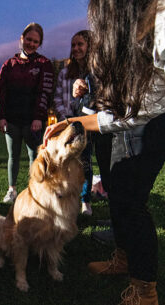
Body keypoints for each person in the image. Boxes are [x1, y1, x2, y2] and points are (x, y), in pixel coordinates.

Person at [43, 0, 165, 303]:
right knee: (120, 194)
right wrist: (77, 122)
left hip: (152, 132)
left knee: (130, 200)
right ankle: (126, 259)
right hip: (134, 121)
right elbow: (138, 109)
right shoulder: (158, 41)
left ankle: (144, 290)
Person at [0, 22, 54, 203]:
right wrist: (1, 116)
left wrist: (38, 117)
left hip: (33, 121)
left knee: (34, 157)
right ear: (21, 38)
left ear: (39, 44)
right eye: (28, 39)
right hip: (12, 120)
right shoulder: (9, 64)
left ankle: (34, 191)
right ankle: (11, 190)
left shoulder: (44, 64)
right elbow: (1, 91)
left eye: (35, 42)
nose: (31, 44)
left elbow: (45, 92)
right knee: (13, 156)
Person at [54, 30, 98, 215]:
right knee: (64, 162)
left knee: (85, 162)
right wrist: (66, 120)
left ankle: (85, 200)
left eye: (80, 44)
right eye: (73, 45)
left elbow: (95, 102)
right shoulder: (65, 72)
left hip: (87, 124)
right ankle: (67, 199)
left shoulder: (94, 71)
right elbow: (57, 98)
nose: (76, 48)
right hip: (66, 124)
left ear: (89, 46)